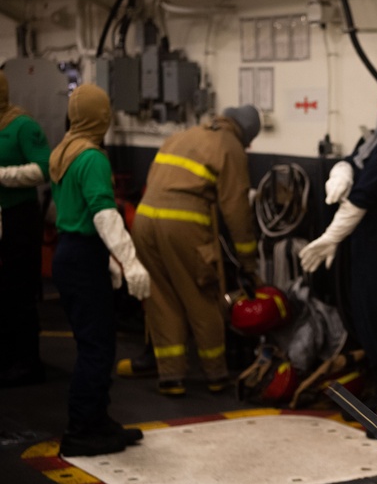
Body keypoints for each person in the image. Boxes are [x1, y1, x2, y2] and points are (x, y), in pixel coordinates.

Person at [298, 80, 377, 435]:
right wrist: (342, 170)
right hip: (365, 251)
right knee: (367, 324)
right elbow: (354, 161)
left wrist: (329, 239)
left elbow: (363, 197)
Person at [49, 83, 150, 457]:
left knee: (95, 343)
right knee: (96, 348)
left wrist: (106, 259)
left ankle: (97, 421)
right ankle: (81, 431)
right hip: (82, 255)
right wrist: (130, 262)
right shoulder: (91, 157)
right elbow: (104, 215)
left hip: (74, 252)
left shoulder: (63, 150)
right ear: (100, 116)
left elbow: (73, 212)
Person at [131, 105, 260, 397]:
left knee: (162, 300)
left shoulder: (181, 135)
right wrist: (248, 264)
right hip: (183, 226)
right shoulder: (231, 146)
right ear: (244, 135)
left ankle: (171, 377)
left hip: (143, 220)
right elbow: (236, 210)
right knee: (203, 296)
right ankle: (215, 375)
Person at [0, 70, 50, 388]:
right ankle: (6, 355)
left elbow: (42, 169)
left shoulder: (22, 126)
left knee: (19, 291)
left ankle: (27, 362)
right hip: (1, 218)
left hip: (19, 218)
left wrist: (2, 175)